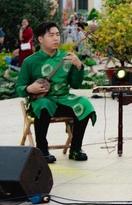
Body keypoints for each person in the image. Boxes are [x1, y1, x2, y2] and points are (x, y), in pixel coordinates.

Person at [15, 21, 94, 163]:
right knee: (43, 104)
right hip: (43, 102)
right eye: (51, 35)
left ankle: (76, 149)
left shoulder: (66, 57)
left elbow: (75, 84)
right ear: (40, 39)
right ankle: (42, 150)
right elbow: (19, 87)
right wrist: (29, 89)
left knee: (85, 104)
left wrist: (78, 66)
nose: (56, 38)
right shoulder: (30, 61)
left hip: (64, 99)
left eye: (57, 35)